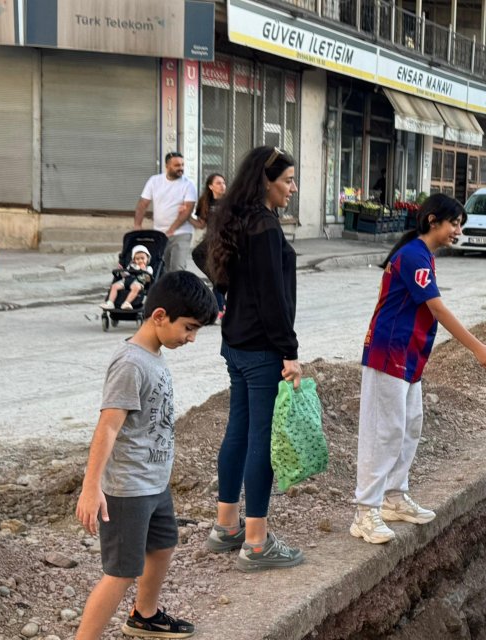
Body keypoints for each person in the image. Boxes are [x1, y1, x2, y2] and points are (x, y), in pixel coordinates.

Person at [352, 194, 486, 544]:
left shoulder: (423, 256)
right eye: (454, 223)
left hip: (409, 356)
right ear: (433, 220)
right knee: (384, 431)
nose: (458, 231)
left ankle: (393, 497)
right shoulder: (413, 256)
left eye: (460, 225)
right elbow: (437, 309)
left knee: (409, 427)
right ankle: (364, 511)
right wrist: (477, 348)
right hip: (388, 351)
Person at [74, 271, 217, 640]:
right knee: (121, 571)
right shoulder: (130, 363)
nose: (191, 338)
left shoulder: (152, 354)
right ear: (159, 316)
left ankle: (145, 615)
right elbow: (107, 427)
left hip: (154, 482)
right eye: (188, 328)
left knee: (164, 542)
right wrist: (92, 488)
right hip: (127, 488)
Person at [203, 146, 305, 571]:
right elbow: (272, 299)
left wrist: (228, 294)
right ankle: (257, 542)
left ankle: (227, 527)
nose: (293, 188)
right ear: (267, 181)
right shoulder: (262, 226)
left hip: (235, 344)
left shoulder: (233, 217)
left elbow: (202, 257)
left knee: (239, 431)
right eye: (287, 181)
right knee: (259, 439)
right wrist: (290, 352)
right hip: (262, 349)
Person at [136, 152, 197, 273]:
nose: (181, 168)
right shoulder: (154, 181)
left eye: (182, 165)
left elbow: (188, 210)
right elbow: (143, 203)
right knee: (161, 267)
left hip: (181, 232)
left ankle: (178, 291)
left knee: (177, 268)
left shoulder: (188, 185)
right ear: (167, 166)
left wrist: (172, 229)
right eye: (177, 165)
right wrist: (137, 224)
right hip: (159, 233)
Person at [191, 173, 228, 314]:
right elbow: (201, 224)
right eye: (218, 183)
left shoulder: (230, 202)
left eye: (224, 183)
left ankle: (220, 307)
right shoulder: (205, 202)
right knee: (197, 254)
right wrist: (187, 216)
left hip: (225, 240)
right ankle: (218, 285)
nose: (222, 186)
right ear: (210, 186)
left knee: (221, 273)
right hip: (210, 239)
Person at [100, 245, 155, 311]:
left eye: (142, 258)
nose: (140, 260)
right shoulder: (131, 266)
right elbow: (126, 274)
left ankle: (127, 303)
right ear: (134, 260)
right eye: (137, 259)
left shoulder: (148, 268)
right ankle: (110, 303)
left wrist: (144, 271)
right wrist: (122, 271)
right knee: (114, 286)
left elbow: (148, 279)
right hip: (127, 280)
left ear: (147, 259)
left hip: (138, 282)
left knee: (136, 288)